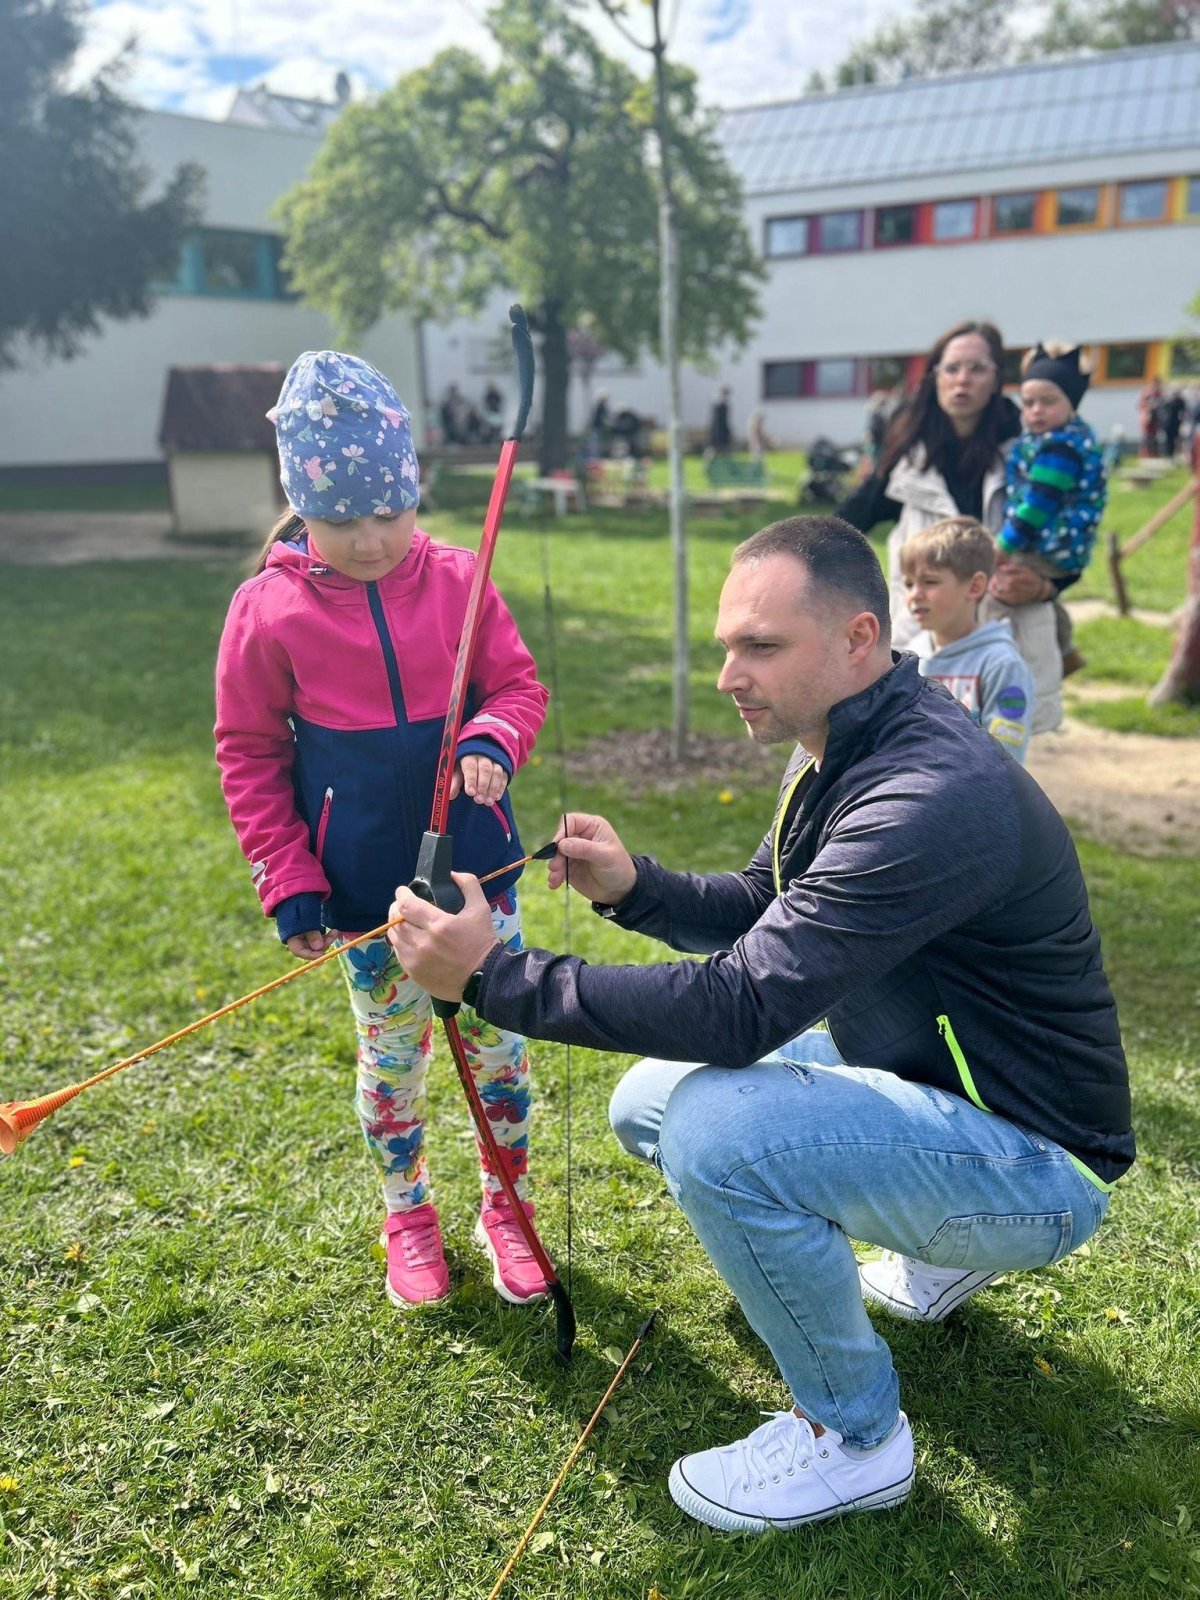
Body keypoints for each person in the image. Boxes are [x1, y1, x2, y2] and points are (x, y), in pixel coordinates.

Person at [387, 515, 1133, 1536]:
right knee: (649, 1102)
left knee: (717, 1132)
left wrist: (493, 977)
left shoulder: (928, 794)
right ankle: (934, 1245)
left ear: (860, 638)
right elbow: (765, 902)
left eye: (762, 647)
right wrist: (637, 888)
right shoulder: (834, 742)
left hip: (1043, 1159)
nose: (730, 675)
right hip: (936, 1081)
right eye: (727, 645)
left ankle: (855, 1439)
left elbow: (739, 1008)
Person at [214, 350, 551, 1312]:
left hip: (478, 879)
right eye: (341, 518)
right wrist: (289, 878)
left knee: (499, 1051)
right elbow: (248, 752)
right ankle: (408, 1212)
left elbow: (517, 685)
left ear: (415, 492)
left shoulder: (459, 578)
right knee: (393, 1060)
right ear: (300, 506)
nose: (370, 540)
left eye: (389, 513)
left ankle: (508, 1205)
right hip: (368, 898)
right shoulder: (267, 610)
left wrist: (492, 736)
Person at [837, 320, 1062, 734]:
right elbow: (845, 525)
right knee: (923, 751)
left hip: (1006, 642)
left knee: (1004, 758)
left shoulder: (1029, 454)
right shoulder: (909, 460)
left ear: (996, 379)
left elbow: (1070, 538)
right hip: (926, 645)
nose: (963, 380)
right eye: (952, 368)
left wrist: (1049, 586)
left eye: (977, 368)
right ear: (935, 376)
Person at [997, 344, 1107, 677]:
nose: (1036, 411)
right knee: (1039, 594)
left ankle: (1025, 658)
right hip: (1056, 541)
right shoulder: (1053, 438)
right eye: (1028, 402)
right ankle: (1067, 650)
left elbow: (1037, 505)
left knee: (1006, 587)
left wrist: (1004, 544)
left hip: (1054, 542)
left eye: (1048, 401)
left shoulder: (1060, 448)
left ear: (1071, 404)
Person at [901, 517, 1036, 764]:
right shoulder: (910, 657)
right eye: (909, 584)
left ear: (974, 587)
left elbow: (1006, 758)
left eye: (929, 582)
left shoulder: (1001, 665)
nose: (914, 595)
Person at [705, 386, 733, 463]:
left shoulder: (725, 405)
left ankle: (726, 464)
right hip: (717, 432)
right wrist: (717, 434)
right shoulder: (719, 406)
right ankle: (708, 464)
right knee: (712, 449)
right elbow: (717, 421)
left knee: (725, 450)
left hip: (722, 432)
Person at [1137, 375, 1163, 458]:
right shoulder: (1147, 393)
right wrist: (1149, 406)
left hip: (1156, 417)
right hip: (1147, 417)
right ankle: (1145, 453)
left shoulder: (1159, 394)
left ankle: (1153, 453)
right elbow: (1140, 405)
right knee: (1146, 436)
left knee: (1154, 436)